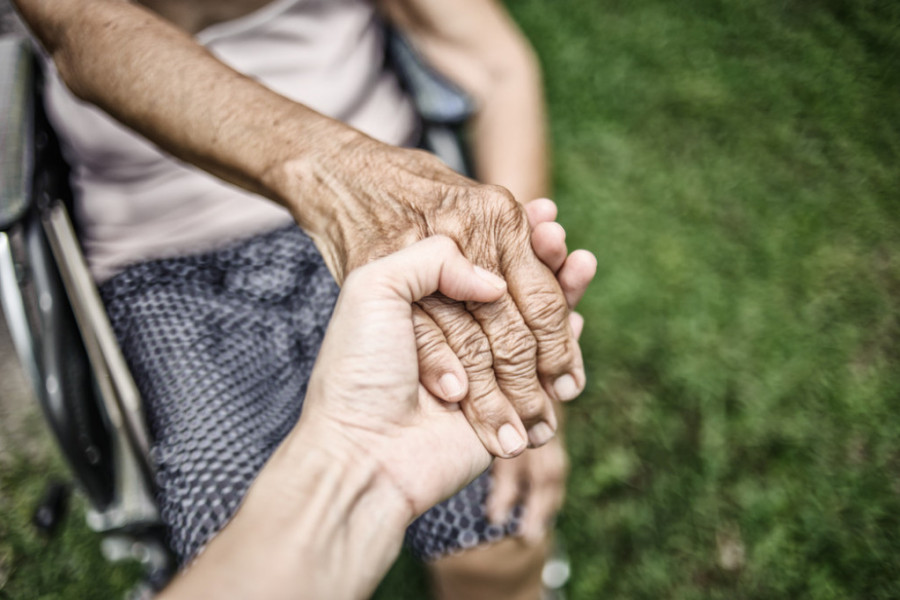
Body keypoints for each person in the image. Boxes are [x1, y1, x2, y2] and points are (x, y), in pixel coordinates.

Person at [12, 0, 597, 596]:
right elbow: (81, 31)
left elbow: (496, 63)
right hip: (160, 261)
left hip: (391, 218)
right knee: (221, 528)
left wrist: (517, 319)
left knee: (493, 531)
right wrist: (332, 177)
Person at [158, 234, 589, 600]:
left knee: (497, 532)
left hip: (386, 233)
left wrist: (518, 262)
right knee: (214, 532)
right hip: (163, 274)